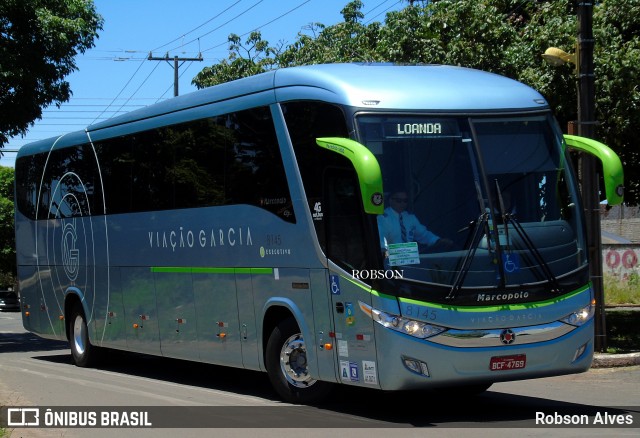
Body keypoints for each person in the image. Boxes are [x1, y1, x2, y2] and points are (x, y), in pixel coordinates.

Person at [377, 190, 452, 251]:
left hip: (410, 259)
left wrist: (438, 241)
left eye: (405, 201)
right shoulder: (382, 218)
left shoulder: (410, 218)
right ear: (390, 200)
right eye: (399, 200)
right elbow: (381, 242)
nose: (403, 203)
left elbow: (423, 234)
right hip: (391, 261)